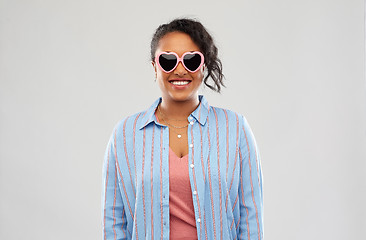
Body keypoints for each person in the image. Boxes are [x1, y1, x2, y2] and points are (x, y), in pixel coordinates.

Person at [102, 18, 263, 240]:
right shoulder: (125, 134)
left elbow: (250, 218)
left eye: (191, 60)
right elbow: (114, 222)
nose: (179, 70)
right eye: (168, 60)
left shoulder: (235, 129)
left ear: (203, 66)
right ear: (154, 67)